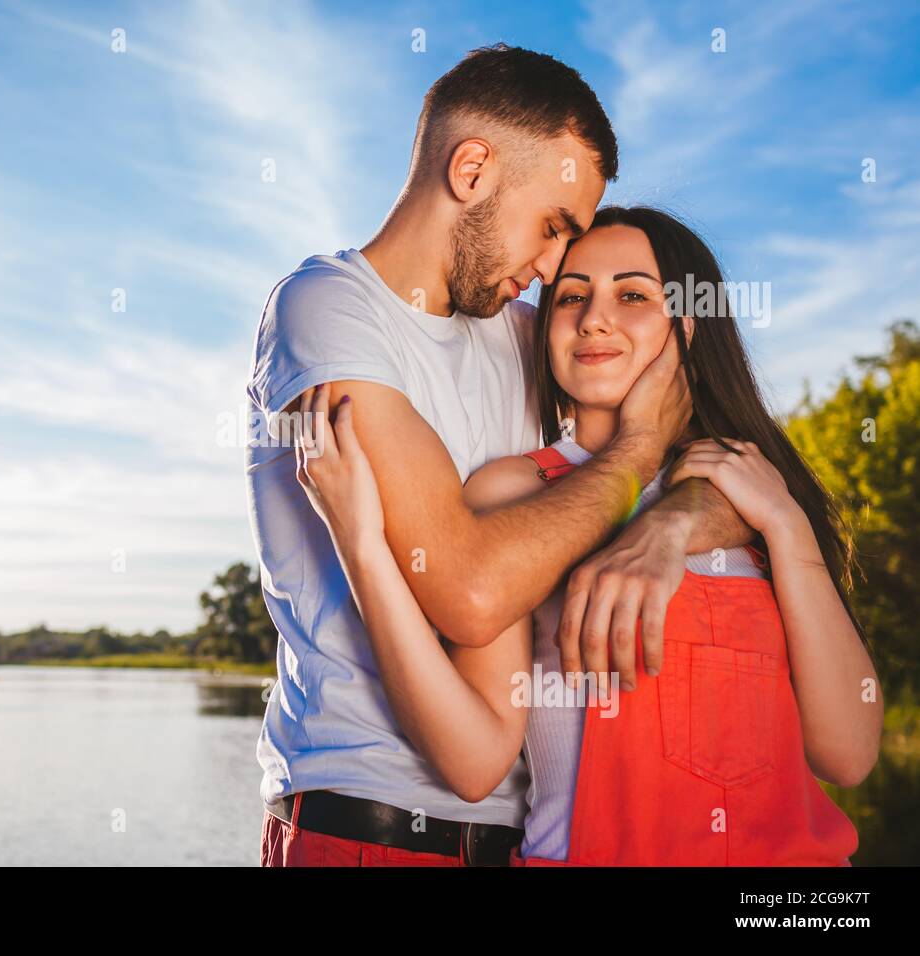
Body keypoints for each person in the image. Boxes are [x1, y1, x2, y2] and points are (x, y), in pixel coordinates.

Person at [248, 44, 755, 868]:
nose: (557, 269)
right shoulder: (326, 312)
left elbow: (728, 465)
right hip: (362, 828)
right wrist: (632, 451)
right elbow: (468, 590)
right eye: (554, 228)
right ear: (473, 169)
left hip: (519, 840)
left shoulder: (531, 333)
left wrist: (668, 529)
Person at [294, 205, 882, 865]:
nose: (593, 317)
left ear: (689, 325)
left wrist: (789, 529)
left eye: (632, 295)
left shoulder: (754, 491)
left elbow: (848, 753)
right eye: (572, 297)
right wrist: (365, 550)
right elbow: (475, 760)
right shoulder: (513, 492)